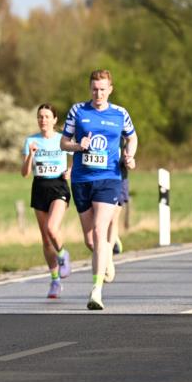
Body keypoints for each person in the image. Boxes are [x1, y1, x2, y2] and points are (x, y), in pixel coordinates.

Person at [60, 69, 138, 310]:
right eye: (94, 89)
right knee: (91, 241)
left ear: (110, 90)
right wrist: (77, 145)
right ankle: (106, 257)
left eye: (103, 89)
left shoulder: (120, 113)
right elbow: (63, 142)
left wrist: (129, 156)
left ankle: (96, 291)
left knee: (98, 229)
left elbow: (132, 137)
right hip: (82, 180)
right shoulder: (78, 111)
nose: (98, 93)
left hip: (109, 178)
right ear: (90, 89)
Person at [22, 103, 73, 299]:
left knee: (53, 228)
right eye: (40, 117)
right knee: (45, 239)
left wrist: (71, 171)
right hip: (39, 188)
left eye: (46, 116)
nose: (43, 120)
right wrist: (31, 156)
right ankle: (55, 280)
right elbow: (25, 174)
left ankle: (63, 256)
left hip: (58, 187)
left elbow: (77, 157)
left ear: (54, 120)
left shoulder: (63, 139)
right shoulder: (31, 141)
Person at [105, 137, 130, 283]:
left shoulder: (121, 121)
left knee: (113, 217)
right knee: (103, 219)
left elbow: (131, 141)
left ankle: (108, 259)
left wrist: (129, 159)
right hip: (99, 178)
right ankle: (112, 241)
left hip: (120, 177)